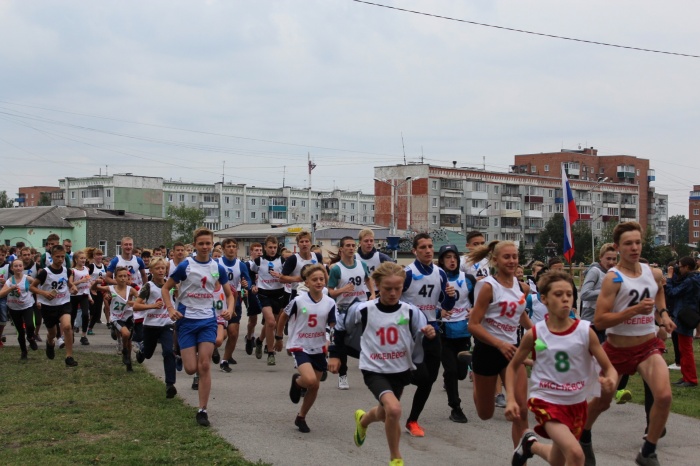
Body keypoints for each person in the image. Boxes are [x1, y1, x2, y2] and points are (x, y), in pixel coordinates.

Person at [582, 221, 675, 466]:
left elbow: (658, 291)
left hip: (647, 347)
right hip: (617, 349)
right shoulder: (613, 278)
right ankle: (583, 435)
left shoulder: (653, 273)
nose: (634, 248)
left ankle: (648, 451)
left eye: (637, 243)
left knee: (664, 396)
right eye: (628, 244)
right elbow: (600, 320)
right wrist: (634, 310)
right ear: (617, 247)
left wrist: (663, 315)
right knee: (602, 402)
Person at [506, 271, 617, 466]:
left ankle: (529, 445)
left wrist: (611, 380)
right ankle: (529, 444)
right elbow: (513, 366)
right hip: (546, 401)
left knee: (558, 459)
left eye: (569, 294)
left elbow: (609, 368)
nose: (565, 299)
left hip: (576, 404)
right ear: (544, 299)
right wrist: (510, 399)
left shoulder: (585, 331)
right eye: (558, 294)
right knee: (576, 454)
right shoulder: (535, 333)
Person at [330, 262, 435, 466]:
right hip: (374, 369)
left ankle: (363, 421)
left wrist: (429, 334)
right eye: (388, 288)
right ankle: (396, 458)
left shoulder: (411, 312)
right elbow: (341, 327)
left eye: (398, 288)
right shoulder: (363, 310)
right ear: (377, 285)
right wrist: (335, 355)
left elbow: (423, 334)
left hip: (401, 369)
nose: (393, 293)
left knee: (384, 412)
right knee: (394, 410)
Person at [161, 228, 235, 427]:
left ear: (212, 245)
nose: (204, 247)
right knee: (190, 368)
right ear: (194, 245)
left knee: (204, 366)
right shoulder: (186, 266)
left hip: (208, 320)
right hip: (186, 320)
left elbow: (229, 294)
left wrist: (229, 309)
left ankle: (202, 410)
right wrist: (170, 309)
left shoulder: (217, 268)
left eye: (208, 243)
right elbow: (166, 288)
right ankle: (180, 351)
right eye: (201, 243)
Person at [466, 240, 533, 448]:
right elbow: (473, 325)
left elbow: (520, 316)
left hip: (512, 351)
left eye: (515, 257)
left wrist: (541, 335)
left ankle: (520, 456)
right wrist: (498, 344)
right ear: (495, 260)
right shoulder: (488, 287)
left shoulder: (522, 288)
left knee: (521, 409)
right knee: (485, 413)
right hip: (487, 351)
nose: (512, 261)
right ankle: (476, 376)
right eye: (507, 257)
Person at [401, 233, 456, 437]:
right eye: (423, 247)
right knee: (421, 376)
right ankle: (398, 379)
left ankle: (412, 420)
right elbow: (394, 300)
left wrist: (451, 297)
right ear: (415, 250)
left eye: (430, 246)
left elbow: (445, 305)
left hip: (432, 331)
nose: (428, 250)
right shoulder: (408, 273)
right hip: (411, 332)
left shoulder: (440, 273)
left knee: (429, 379)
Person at [275, 264, 336, 433]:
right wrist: (279, 338)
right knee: (310, 381)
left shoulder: (330, 302)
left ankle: (301, 416)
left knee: (315, 386)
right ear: (306, 282)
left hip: (318, 347)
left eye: (321, 279)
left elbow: (332, 325)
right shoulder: (298, 300)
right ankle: (297, 382)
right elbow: (283, 317)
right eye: (314, 279)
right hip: (299, 345)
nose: (319, 282)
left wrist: (329, 341)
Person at [328, 236, 375, 390]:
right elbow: (330, 292)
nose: (351, 248)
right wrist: (344, 290)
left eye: (353, 245)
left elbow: (368, 279)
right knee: (341, 342)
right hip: (343, 309)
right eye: (347, 245)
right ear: (341, 249)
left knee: (368, 339)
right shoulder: (336, 269)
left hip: (361, 308)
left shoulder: (361, 264)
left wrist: (372, 293)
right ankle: (343, 375)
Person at [436, 244, 475, 423]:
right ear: (441, 260)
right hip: (444, 331)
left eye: (454, 257)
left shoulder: (468, 279)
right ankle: (456, 407)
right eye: (447, 257)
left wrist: (474, 310)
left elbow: (476, 302)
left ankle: (448, 377)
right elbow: (428, 303)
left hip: (463, 331)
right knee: (451, 371)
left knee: (460, 374)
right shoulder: (436, 279)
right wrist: (439, 312)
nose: (452, 261)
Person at [133, 257, 178, 398]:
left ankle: (170, 384)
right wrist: (152, 305)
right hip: (150, 325)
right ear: (151, 270)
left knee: (168, 351)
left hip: (166, 324)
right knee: (148, 354)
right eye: (157, 268)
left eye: (162, 268)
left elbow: (178, 297)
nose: (160, 271)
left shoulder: (171, 285)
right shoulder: (148, 286)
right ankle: (142, 350)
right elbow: (136, 305)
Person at [29, 244, 79, 366]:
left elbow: (69, 284)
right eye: (57, 257)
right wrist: (44, 293)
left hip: (64, 303)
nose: (60, 259)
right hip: (48, 306)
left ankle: (69, 356)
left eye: (62, 257)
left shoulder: (67, 271)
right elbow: (32, 287)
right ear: (52, 257)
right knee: (52, 333)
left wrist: (73, 288)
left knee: (67, 326)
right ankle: (50, 342)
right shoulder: (45, 273)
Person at [216, 238, 252, 373]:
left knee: (233, 332)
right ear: (223, 249)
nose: (231, 249)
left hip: (234, 301)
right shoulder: (217, 263)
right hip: (219, 302)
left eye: (233, 246)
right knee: (220, 334)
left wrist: (246, 285)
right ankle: (213, 348)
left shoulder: (240, 265)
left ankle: (225, 360)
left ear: (237, 249)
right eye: (228, 246)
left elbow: (248, 280)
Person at [249, 236, 286, 366]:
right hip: (264, 293)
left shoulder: (282, 260)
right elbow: (251, 272)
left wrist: (281, 276)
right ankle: (270, 352)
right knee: (270, 321)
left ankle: (259, 341)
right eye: (270, 247)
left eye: (275, 247)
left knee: (271, 324)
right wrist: (253, 285)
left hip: (278, 294)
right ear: (265, 248)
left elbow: (287, 276)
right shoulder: (259, 261)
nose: (272, 250)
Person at [94, 266, 139, 371]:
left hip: (128, 317)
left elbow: (140, 300)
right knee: (126, 334)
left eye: (125, 276)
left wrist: (133, 302)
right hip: (116, 317)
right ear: (115, 278)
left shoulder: (131, 290)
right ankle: (124, 349)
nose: (123, 278)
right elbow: (95, 288)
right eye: (120, 276)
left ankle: (129, 363)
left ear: (128, 277)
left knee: (129, 340)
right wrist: (96, 282)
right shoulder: (110, 288)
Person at [664, 256, 699, 387]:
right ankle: (686, 376)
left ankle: (691, 379)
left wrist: (669, 278)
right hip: (686, 314)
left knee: (685, 348)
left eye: (680, 266)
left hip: (684, 315)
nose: (679, 269)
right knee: (683, 348)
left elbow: (673, 292)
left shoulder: (690, 281)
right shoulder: (694, 278)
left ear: (687, 267)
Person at [0, 258, 38, 360]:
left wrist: (38, 299)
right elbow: (1, 294)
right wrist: (10, 289)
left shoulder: (28, 279)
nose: (18, 268)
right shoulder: (9, 281)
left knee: (30, 325)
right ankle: (23, 351)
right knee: (20, 331)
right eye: (15, 266)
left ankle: (30, 337)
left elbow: (37, 286)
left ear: (23, 267)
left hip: (27, 306)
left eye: (20, 266)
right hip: (14, 308)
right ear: (12, 268)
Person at [243, 243, 264, 356]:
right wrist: (249, 288)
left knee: (270, 319)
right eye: (256, 250)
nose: (259, 252)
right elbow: (246, 279)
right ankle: (249, 338)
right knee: (253, 319)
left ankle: (265, 343)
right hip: (252, 292)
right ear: (251, 252)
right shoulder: (248, 265)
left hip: (264, 292)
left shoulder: (266, 263)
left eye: (260, 250)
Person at [69, 250, 92, 346]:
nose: (83, 260)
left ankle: (83, 335)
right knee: (72, 315)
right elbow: (70, 283)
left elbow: (88, 283)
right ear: (76, 259)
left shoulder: (87, 269)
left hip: (84, 295)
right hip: (74, 295)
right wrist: (81, 281)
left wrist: (90, 295)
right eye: (81, 258)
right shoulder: (72, 270)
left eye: (84, 258)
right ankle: (71, 334)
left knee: (86, 314)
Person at [86, 247, 106, 335]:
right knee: (92, 310)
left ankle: (90, 327)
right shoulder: (91, 266)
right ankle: (86, 325)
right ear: (94, 256)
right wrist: (91, 283)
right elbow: (86, 276)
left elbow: (106, 278)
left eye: (100, 255)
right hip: (91, 290)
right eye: (97, 255)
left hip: (99, 290)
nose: (99, 256)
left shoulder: (104, 267)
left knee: (97, 312)